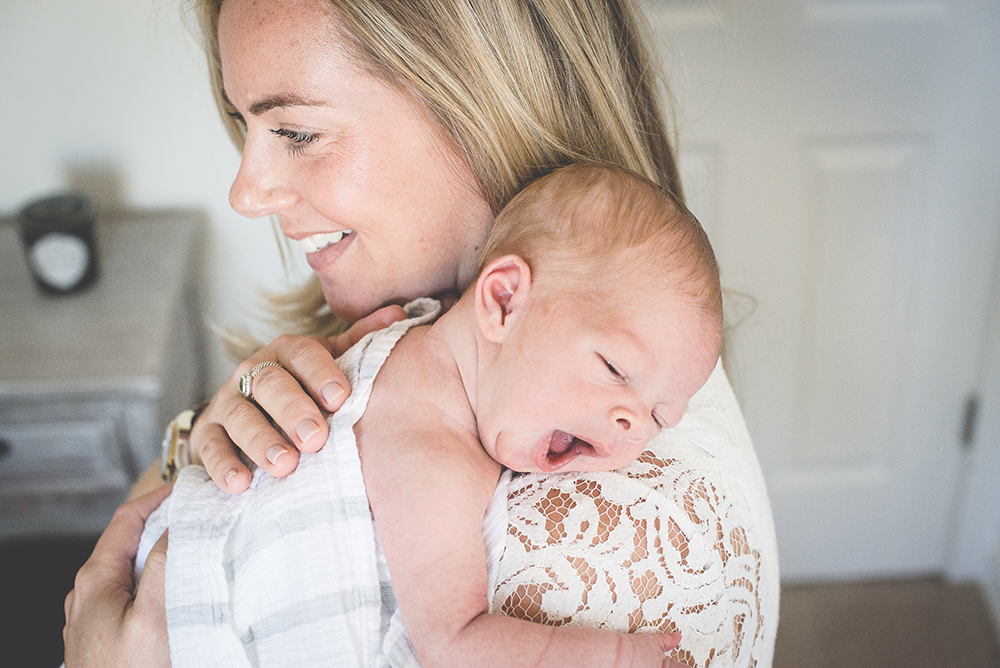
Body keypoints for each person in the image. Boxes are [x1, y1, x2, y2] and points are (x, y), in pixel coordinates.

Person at [63, 0, 779, 666]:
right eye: (245, 125)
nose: (245, 192)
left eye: (298, 132)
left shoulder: (584, 554)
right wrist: (207, 437)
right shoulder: (457, 343)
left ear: (483, 103)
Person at [133, 163, 722, 667]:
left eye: (661, 416)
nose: (635, 426)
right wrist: (615, 655)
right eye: (616, 369)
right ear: (503, 301)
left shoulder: (417, 334)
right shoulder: (429, 444)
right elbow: (453, 642)